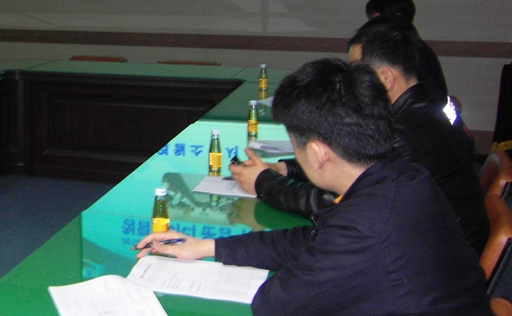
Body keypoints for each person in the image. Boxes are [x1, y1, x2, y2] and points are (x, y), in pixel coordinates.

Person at [137, 59, 491, 316]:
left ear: (319, 153)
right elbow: (315, 240)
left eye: (296, 145)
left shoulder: (366, 224)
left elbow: (274, 304)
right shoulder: (401, 177)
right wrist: (208, 246)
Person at [232, 18, 489, 253]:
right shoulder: (422, 110)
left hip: (437, 254)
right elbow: (348, 159)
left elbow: (338, 201)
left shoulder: (404, 135)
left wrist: (263, 183)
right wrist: (286, 169)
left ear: (385, 77)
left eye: (357, 70)